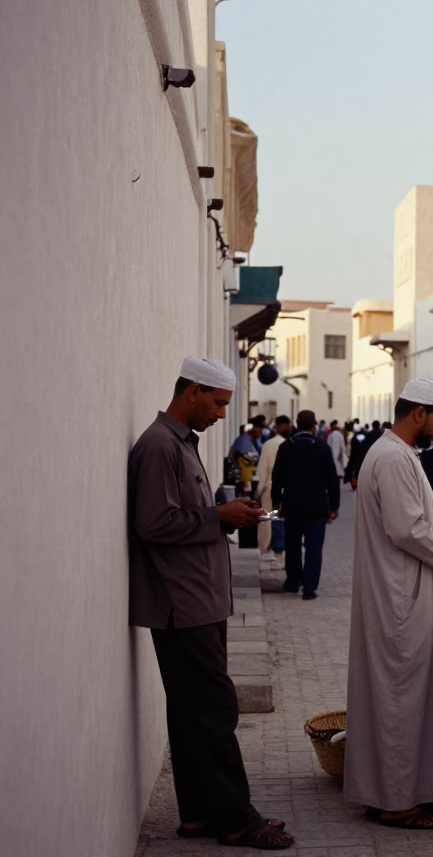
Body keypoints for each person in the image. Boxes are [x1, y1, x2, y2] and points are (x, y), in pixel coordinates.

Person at [128, 357, 293, 850]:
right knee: (215, 711)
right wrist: (217, 515)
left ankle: (199, 814)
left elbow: (185, 516)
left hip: (197, 599)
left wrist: (224, 516)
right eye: (218, 403)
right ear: (193, 390)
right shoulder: (160, 447)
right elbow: (153, 524)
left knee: (190, 713)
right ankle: (237, 818)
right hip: (183, 603)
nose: (222, 414)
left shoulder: (179, 444)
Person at [345, 378, 433, 830]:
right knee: (400, 701)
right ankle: (395, 803)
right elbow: (407, 530)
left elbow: (414, 526)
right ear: (418, 413)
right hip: (398, 598)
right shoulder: (391, 458)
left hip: (401, 592)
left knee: (402, 698)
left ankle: (393, 791)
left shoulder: (396, 455)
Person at [271, 410, 341, 600]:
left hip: (292, 506)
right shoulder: (322, 448)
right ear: (314, 426)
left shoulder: (286, 447)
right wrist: (334, 505)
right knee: (314, 547)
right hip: (317, 508)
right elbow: (332, 480)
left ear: (296, 424)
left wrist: (276, 501)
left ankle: (293, 581)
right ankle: (309, 588)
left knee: (292, 545)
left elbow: (277, 478)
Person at [255, 415, 293, 561]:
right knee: (283, 521)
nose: (288, 428)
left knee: (266, 520)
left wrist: (259, 491)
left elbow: (262, 470)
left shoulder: (268, 444)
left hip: (269, 488)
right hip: (287, 489)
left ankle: (264, 549)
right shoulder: (291, 444)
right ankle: (281, 552)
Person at [230, 422, 260, 497]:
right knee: (246, 491)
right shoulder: (246, 439)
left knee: (244, 491)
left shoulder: (240, 439)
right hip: (247, 472)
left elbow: (232, 454)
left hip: (243, 472)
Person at [345, 423, 370, 489]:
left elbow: (352, 447)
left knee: (355, 470)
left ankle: (354, 482)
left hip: (355, 457)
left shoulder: (354, 438)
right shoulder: (366, 436)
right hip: (364, 457)